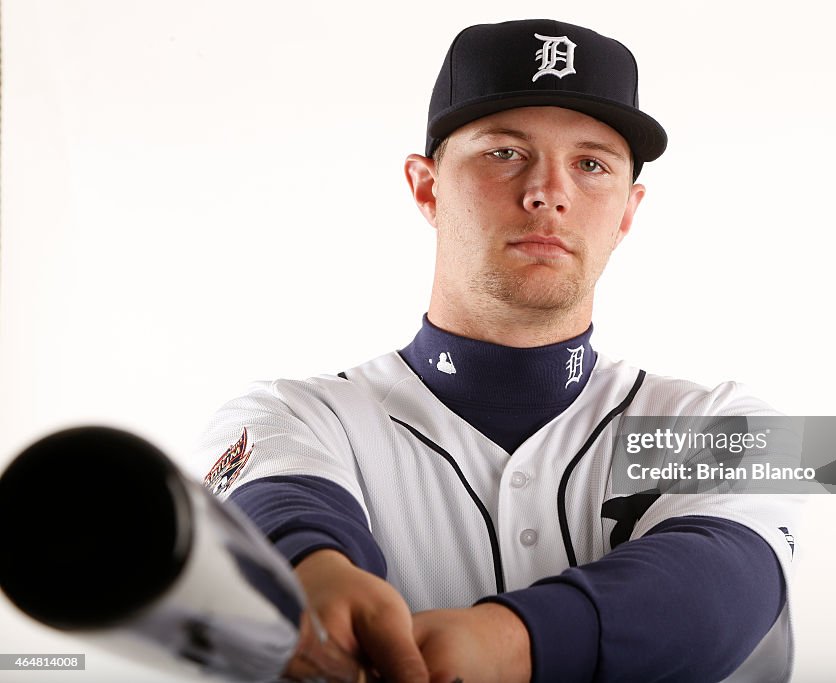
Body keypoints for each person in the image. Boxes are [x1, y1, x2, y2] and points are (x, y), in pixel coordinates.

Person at [193, 19, 803, 683]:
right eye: (505, 153)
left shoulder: (716, 422)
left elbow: (721, 586)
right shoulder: (304, 414)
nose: (549, 191)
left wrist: (508, 642)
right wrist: (316, 576)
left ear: (627, 212)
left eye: (591, 163)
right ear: (426, 187)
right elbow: (280, 512)